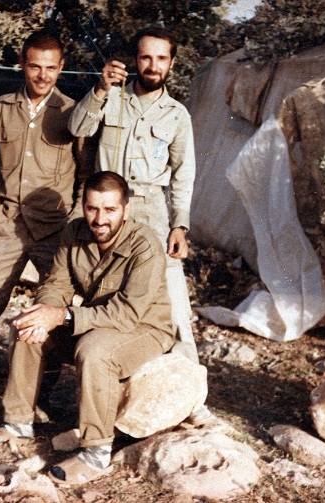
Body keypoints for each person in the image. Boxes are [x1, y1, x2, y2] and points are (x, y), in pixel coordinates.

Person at [0, 171, 175, 485]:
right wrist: (45, 311)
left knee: (94, 351)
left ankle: (96, 451)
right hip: (98, 320)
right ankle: (17, 423)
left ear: (126, 209)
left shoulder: (144, 245)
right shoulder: (74, 232)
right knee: (28, 324)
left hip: (144, 328)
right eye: (92, 208)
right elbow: (56, 285)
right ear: (83, 206)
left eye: (110, 210)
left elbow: (127, 313)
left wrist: (63, 316)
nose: (100, 219)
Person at [0, 29, 92, 395]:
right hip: (8, 226)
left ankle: (42, 386)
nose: (42, 75)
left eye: (50, 67)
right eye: (35, 66)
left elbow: (86, 173)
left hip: (55, 230)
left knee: (55, 309)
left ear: (61, 67)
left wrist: (74, 221)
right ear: (22, 65)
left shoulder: (73, 114)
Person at [67, 26, 201, 365]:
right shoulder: (111, 97)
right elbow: (77, 128)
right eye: (145, 57)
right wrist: (100, 88)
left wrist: (179, 225)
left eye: (161, 58)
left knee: (168, 280)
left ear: (172, 63)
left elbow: (183, 173)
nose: (153, 66)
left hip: (150, 206)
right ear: (135, 60)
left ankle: (185, 361)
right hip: (106, 207)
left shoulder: (177, 114)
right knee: (93, 275)